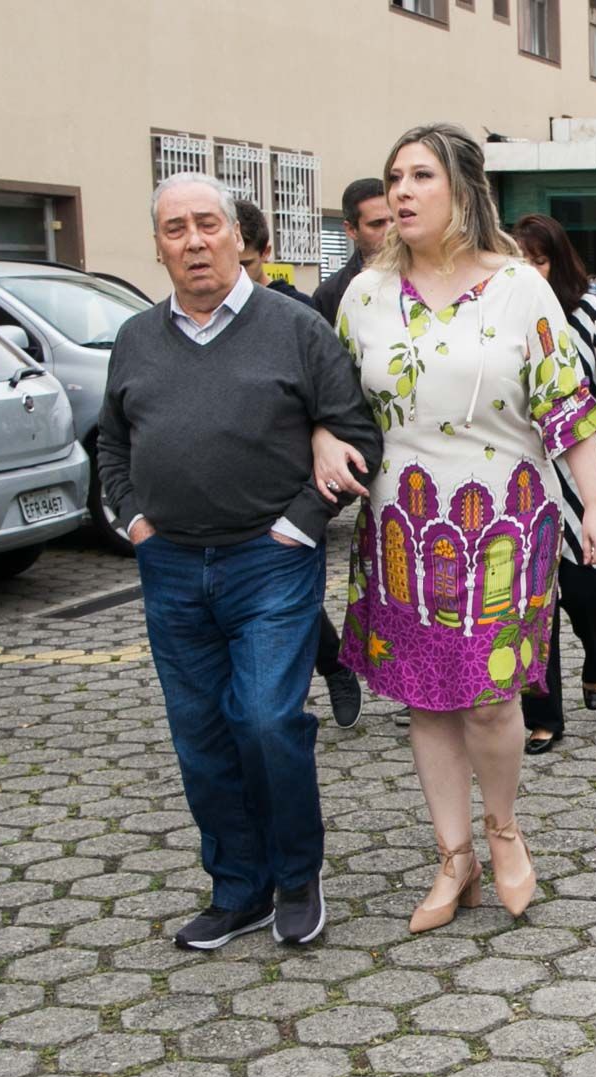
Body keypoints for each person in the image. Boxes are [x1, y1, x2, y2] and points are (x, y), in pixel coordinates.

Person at [313, 123, 596, 934]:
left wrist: (595, 500)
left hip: (504, 526)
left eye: (420, 176)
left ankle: (504, 829)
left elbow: (564, 401)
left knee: (489, 698)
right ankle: (454, 859)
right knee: (426, 702)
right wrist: (319, 438)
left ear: (462, 189)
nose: (401, 192)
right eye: (393, 177)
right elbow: (333, 400)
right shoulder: (365, 294)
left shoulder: (519, 286)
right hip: (402, 529)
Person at [97, 172, 382, 950]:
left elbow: (356, 434)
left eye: (206, 225)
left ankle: (297, 875)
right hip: (171, 567)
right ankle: (238, 888)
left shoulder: (293, 328)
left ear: (235, 235)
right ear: (158, 247)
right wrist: (133, 520)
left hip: (270, 561)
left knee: (263, 720)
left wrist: (299, 524)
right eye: (174, 229)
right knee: (200, 735)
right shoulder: (135, 338)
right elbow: (114, 442)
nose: (193, 242)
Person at [234, 198, 370, 727]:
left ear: (265, 254)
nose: (234, 274)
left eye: (246, 263)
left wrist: (318, 435)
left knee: (281, 595)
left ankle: (331, 668)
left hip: (286, 493)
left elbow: (334, 401)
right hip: (222, 500)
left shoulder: (299, 314)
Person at [511, 213, 596, 754]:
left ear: (557, 262)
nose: (529, 271)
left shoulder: (588, 314)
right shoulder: (495, 316)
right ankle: (543, 717)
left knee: (586, 592)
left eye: (538, 259)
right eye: (519, 260)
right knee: (532, 603)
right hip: (522, 479)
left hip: (583, 470)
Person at [313, 178, 392, 325]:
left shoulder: (434, 275)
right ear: (351, 230)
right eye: (377, 224)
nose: (390, 231)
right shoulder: (329, 295)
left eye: (394, 220)